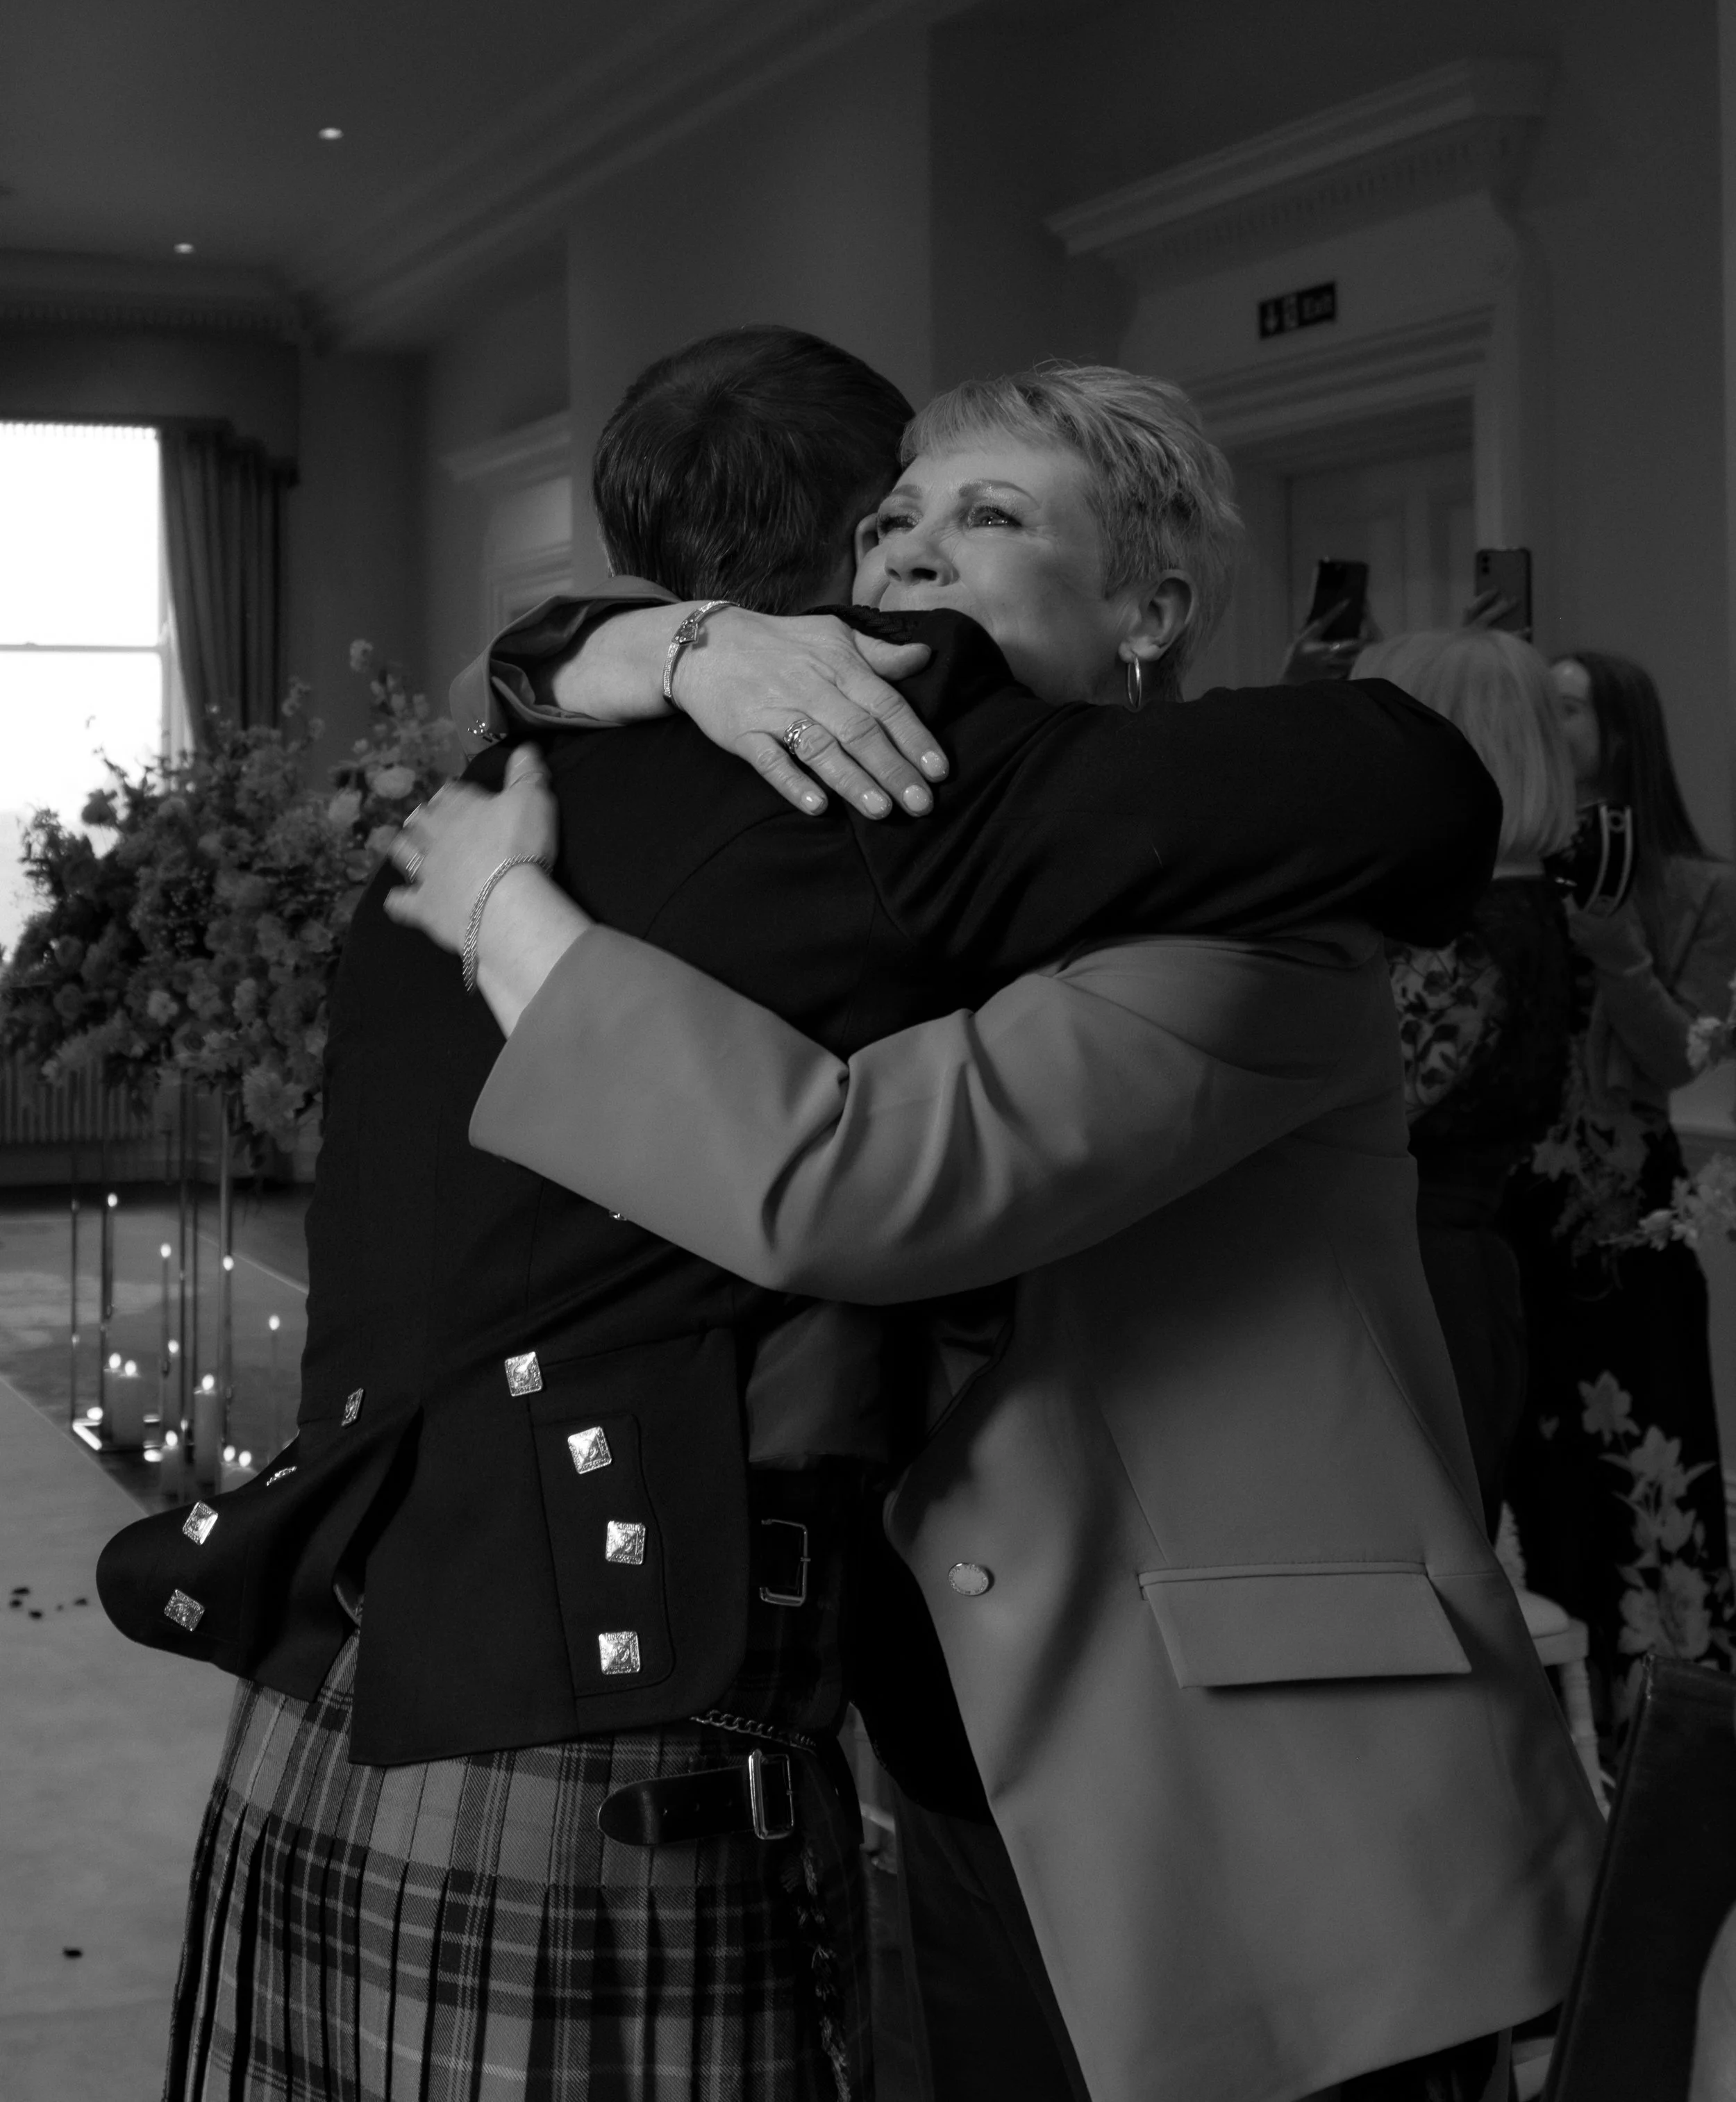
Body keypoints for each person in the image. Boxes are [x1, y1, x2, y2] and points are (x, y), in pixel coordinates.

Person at [101, 332, 1503, 2102]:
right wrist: (630, 642)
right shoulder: (903, 836)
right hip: (936, 1716)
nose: (912, 548)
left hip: (1240, 1753)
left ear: (1147, 612)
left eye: (986, 514)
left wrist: (512, 907)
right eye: (892, 517)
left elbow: (849, 1182)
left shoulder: (1248, 910)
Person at [1503, 648, 1736, 1728]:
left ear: (1621, 732)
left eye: (1566, 712)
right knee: (1541, 1485)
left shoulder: (1702, 888)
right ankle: (1554, 1747)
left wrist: (1613, 943)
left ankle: (1666, 1750)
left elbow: (1679, 1063)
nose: (1547, 728)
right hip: (1516, 1218)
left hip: (1632, 1229)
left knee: (1653, 1485)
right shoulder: (1508, 872)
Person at [1350, 629, 1578, 1533]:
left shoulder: (1470, 928)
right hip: (1447, 1279)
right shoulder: (1515, 903)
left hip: (1417, 1292)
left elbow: (1371, 1104)